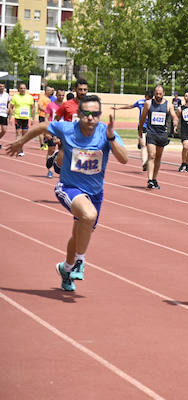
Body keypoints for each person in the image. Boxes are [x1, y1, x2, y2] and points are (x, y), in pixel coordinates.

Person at [6, 94, 128, 292]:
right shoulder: (67, 129)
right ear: (79, 114)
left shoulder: (106, 132)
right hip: (69, 187)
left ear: (100, 115)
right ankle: (80, 261)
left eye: (95, 114)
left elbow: (124, 159)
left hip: (95, 193)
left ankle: (66, 268)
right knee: (88, 215)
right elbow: (43, 126)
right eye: (86, 113)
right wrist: (21, 141)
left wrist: (112, 138)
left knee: (79, 233)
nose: (90, 118)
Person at [139, 85, 178, 190]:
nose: (158, 95)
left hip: (162, 135)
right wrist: (140, 130)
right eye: (156, 93)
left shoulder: (168, 105)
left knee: (158, 158)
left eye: (160, 94)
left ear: (164, 93)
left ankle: (154, 178)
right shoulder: (148, 103)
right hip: (151, 133)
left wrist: (175, 123)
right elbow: (142, 118)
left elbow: (174, 116)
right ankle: (150, 179)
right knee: (152, 155)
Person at [113, 90, 152, 170]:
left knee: (149, 145)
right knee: (143, 145)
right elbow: (130, 106)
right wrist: (118, 108)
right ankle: (144, 163)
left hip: (151, 127)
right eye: (148, 98)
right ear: (145, 97)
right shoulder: (140, 102)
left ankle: (141, 144)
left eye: (150, 98)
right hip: (142, 126)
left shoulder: (155, 104)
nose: (149, 100)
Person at [10, 83, 36, 157]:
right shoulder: (15, 97)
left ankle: (19, 146)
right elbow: (11, 107)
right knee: (18, 134)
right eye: (21, 88)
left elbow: (33, 108)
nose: (22, 89)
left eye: (24, 88)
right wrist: (10, 117)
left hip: (26, 118)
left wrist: (33, 118)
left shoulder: (29, 97)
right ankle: (20, 149)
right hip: (17, 117)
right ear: (18, 89)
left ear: (26, 89)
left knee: (24, 135)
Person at [37, 85, 54, 150]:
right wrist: (47, 111)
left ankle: (45, 143)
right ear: (46, 91)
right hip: (42, 116)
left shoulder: (49, 99)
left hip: (47, 117)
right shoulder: (42, 98)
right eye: (49, 90)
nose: (51, 92)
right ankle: (42, 145)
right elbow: (40, 107)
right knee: (42, 131)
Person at [0, 82, 9, 149]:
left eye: (3, 86)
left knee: (4, 130)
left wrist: (8, 109)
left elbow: (9, 104)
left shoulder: (7, 95)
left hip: (4, 114)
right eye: (0, 86)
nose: (2, 88)